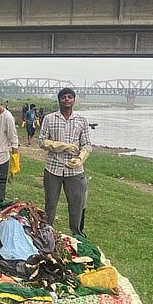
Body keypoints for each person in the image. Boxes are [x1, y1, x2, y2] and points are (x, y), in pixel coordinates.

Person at [39, 87, 92, 236]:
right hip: (53, 168)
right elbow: (42, 142)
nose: (66, 100)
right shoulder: (49, 119)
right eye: (63, 97)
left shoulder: (81, 120)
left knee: (77, 203)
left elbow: (87, 145)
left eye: (70, 97)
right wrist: (61, 146)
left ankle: (77, 233)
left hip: (75, 170)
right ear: (59, 100)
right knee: (50, 204)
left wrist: (80, 158)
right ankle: (47, 233)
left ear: (74, 100)